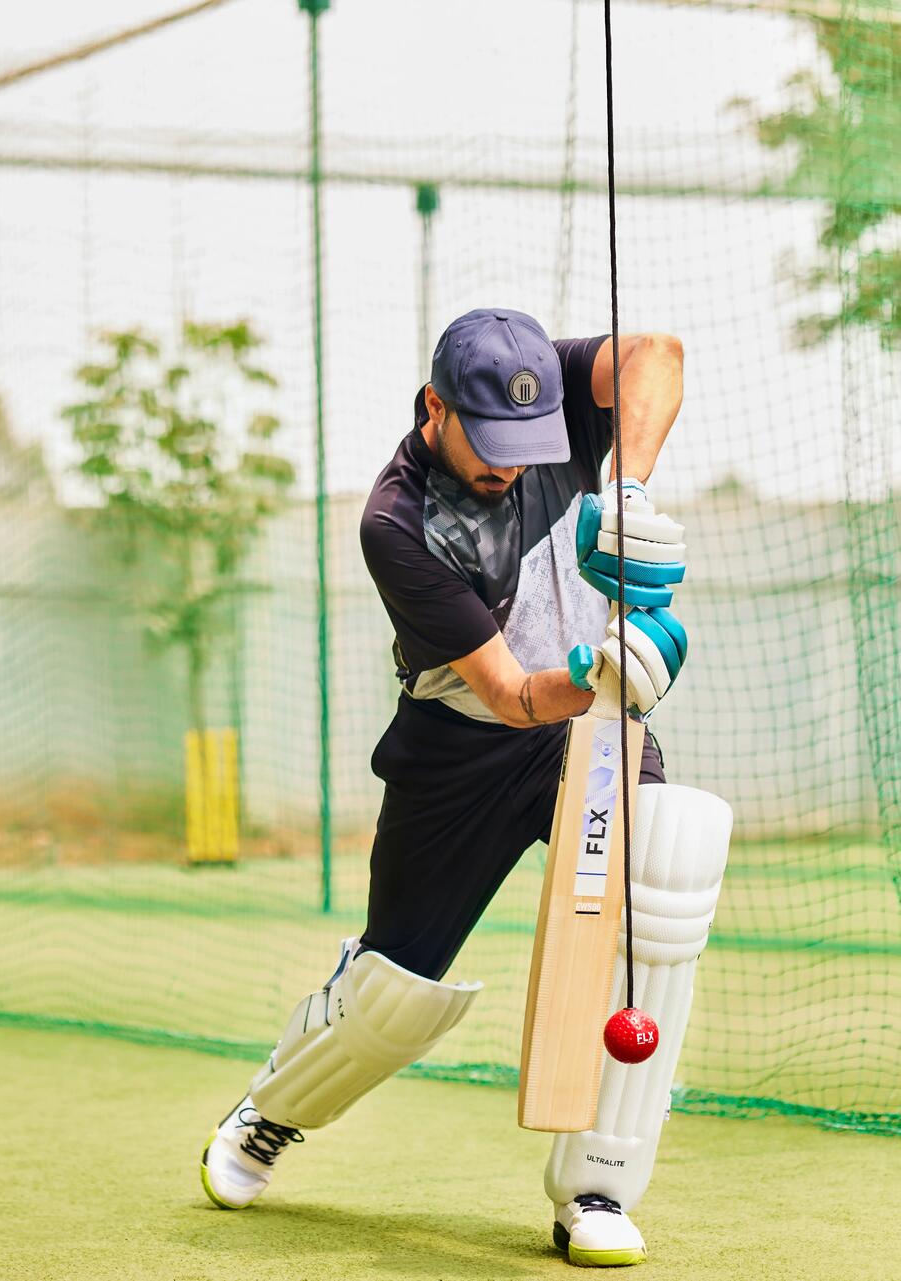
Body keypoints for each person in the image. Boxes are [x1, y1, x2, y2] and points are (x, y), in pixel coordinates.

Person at [199, 309, 731, 1268]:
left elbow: (657, 355)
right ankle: (267, 1114)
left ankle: (599, 1184)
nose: (512, 467)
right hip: (466, 742)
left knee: (663, 886)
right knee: (393, 985)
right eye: (490, 447)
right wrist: (609, 665)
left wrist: (627, 490)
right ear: (435, 408)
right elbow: (513, 693)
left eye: (528, 447)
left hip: (594, 738)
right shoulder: (396, 521)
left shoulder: (555, 400)